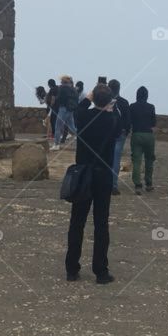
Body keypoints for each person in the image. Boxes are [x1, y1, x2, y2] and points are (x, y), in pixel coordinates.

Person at [65, 84, 121, 284]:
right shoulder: (113, 120)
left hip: (83, 174)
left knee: (77, 222)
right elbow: (119, 125)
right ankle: (101, 271)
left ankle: (72, 269)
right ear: (109, 101)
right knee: (101, 223)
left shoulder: (84, 117)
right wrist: (107, 106)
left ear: (93, 98)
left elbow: (78, 110)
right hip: (103, 175)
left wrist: (88, 98)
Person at [128, 86, 157, 193]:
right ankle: (149, 183)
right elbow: (154, 123)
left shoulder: (132, 106)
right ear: (147, 96)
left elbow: (129, 121)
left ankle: (138, 185)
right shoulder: (151, 107)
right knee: (149, 159)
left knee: (136, 160)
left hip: (136, 134)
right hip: (149, 135)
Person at [107, 79, 131, 191]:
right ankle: (113, 185)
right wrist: (126, 131)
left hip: (108, 133)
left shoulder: (106, 102)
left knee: (105, 157)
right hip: (120, 133)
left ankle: (103, 183)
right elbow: (127, 119)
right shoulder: (124, 102)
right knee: (116, 159)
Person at [52, 75, 78, 150]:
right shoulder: (73, 89)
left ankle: (56, 144)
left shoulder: (62, 88)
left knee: (58, 126)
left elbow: (59, 98)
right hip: (70, 110)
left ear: (63, 81)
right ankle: (83, 137)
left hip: (63, 108)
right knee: (72, 127)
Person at [44, 77, 59, 141]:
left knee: (53, 121)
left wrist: (51, 106)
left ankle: (53, 134)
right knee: (55, 121)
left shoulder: (53, 89)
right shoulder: (58, 88)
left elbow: (53, 98)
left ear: (50, 84)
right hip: (58, 107)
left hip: (53, 107)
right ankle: (54, 134)